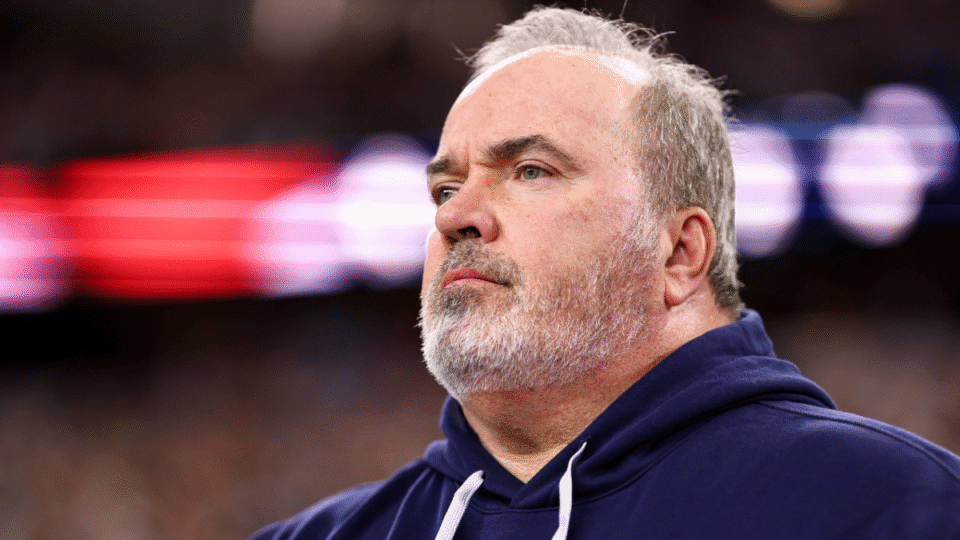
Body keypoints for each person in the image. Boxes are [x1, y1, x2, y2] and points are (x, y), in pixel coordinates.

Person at [250, 6, 960, 540]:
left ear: (680, 253)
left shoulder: (892, 505)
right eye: (444, 188)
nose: (455, 216)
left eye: (530, 171)